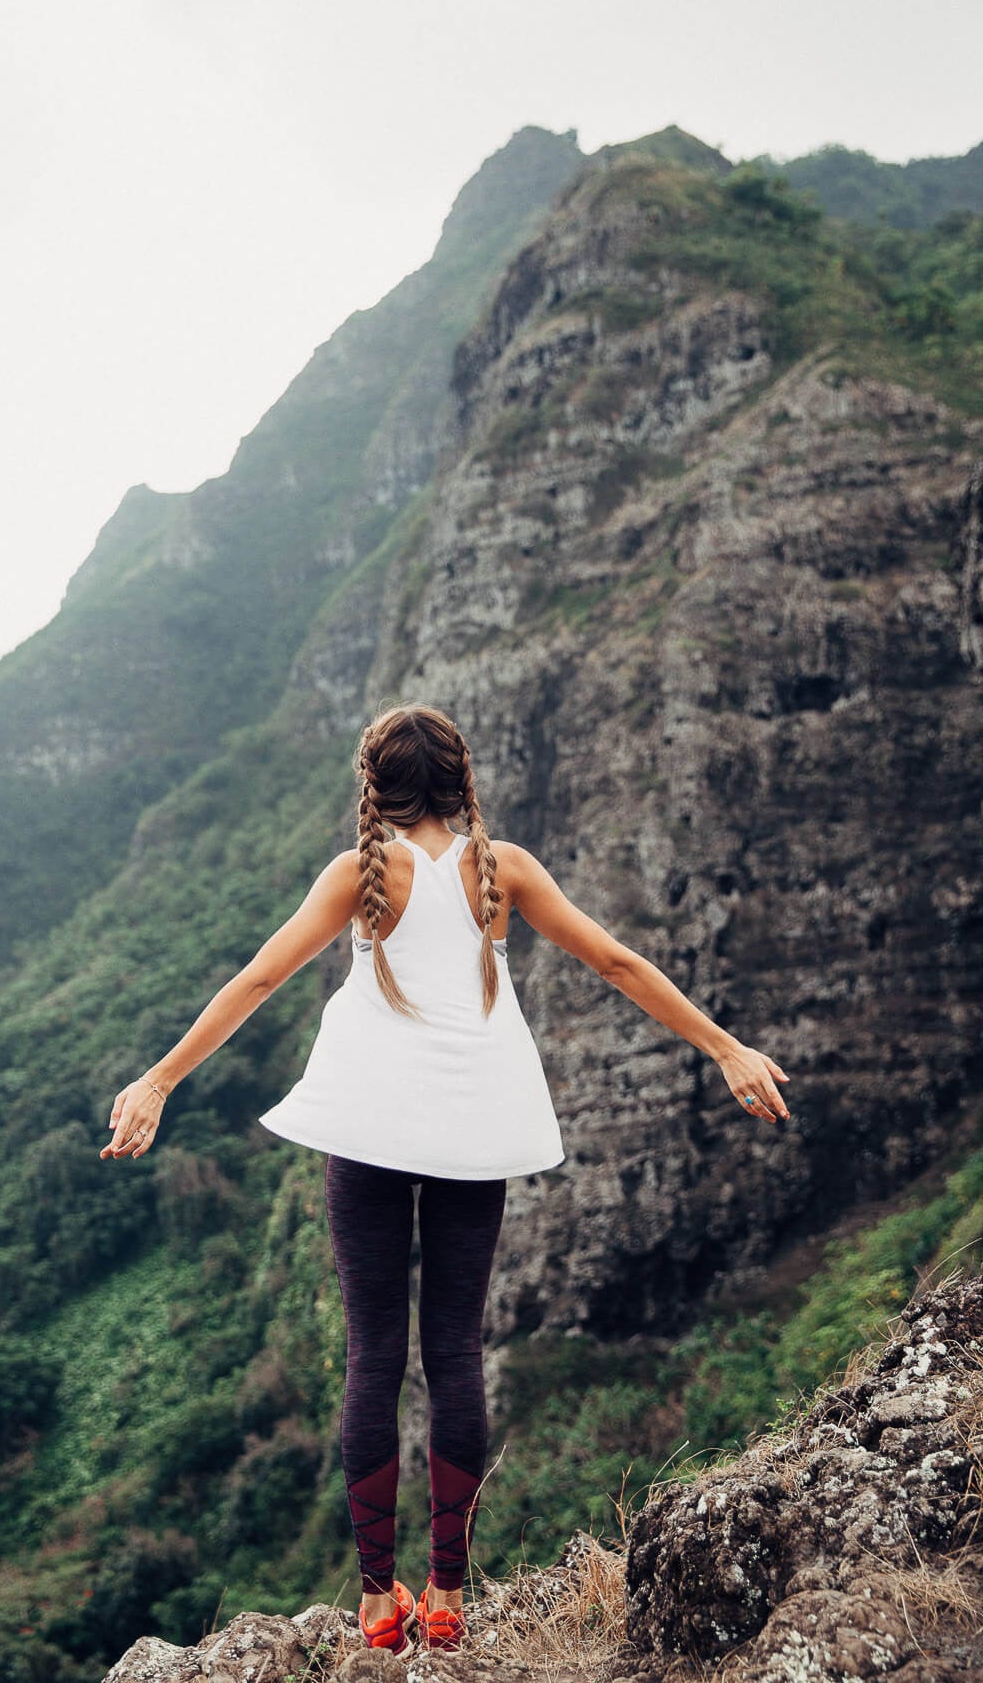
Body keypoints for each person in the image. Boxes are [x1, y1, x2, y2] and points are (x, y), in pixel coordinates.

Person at [101, 704, 790, 1655]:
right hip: (476, 1127)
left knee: (373, 1358)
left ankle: (379, 1601)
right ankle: (450, 1595)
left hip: (367, 1124)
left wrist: (158, 1080)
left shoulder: (358, 875)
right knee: (456, 1352)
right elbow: (616, 962)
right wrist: (726, 1047)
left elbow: (258, 981)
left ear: (371, 787)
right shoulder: (501, 871)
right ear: (463, 782)